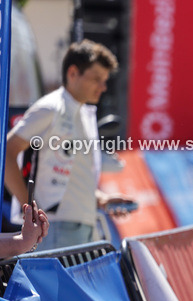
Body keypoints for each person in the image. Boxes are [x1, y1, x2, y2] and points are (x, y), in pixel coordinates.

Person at [4, 40, 131, 251]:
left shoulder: (83, 112)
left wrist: (102, 199)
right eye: (97, 79)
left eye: (105, 80)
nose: (103, 86)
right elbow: (7, 151)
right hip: (54, 229)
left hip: (82, 227)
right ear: (73, 73)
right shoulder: (50, 108)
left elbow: (73, 175)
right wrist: (31, 210)